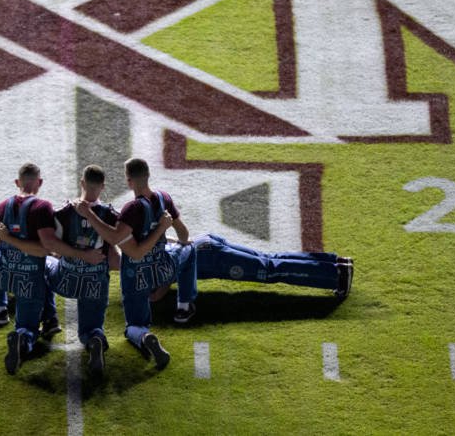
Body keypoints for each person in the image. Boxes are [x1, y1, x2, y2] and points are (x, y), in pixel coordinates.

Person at [75, 158, 196, 370]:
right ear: (148, 175)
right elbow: (185, 235)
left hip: (136, 275)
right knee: (188, 250)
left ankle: (145, 336)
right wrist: (170, 238)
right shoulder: (164, 198)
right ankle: (184, 306)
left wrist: (89, 214)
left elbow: (115, 239)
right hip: (162, 266)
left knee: (134, 325)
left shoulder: (132, 209)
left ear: (129, 181)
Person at [40, 165, 117, 377]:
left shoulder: (62, 213)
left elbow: (50, 246)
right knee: (90, 328)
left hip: (66, 280)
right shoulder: (111, 216)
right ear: (102, 187)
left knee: (41, 265)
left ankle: (49, 319)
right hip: (95, 284)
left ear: (81, 183)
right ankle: (94, 339)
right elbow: (114, 258)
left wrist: (69, 253)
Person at [0, 162, 59, 374]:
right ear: (39, 182)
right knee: (27, 326)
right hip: (28, 281)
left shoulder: (2, 206)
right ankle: (27, 336)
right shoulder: (42, 207)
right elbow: (44, 249)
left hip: (3, 277)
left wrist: (4, 241)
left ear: (17, 182)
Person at [149, 233, 354, 301]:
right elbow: (168, 238)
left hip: (212, 258)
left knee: (270, 270)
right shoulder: (143, 242)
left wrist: (146, 295)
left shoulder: (145, 263)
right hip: (205, 241)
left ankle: (337, 274)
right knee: (269, 259)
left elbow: (159, 292)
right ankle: (335, 262)